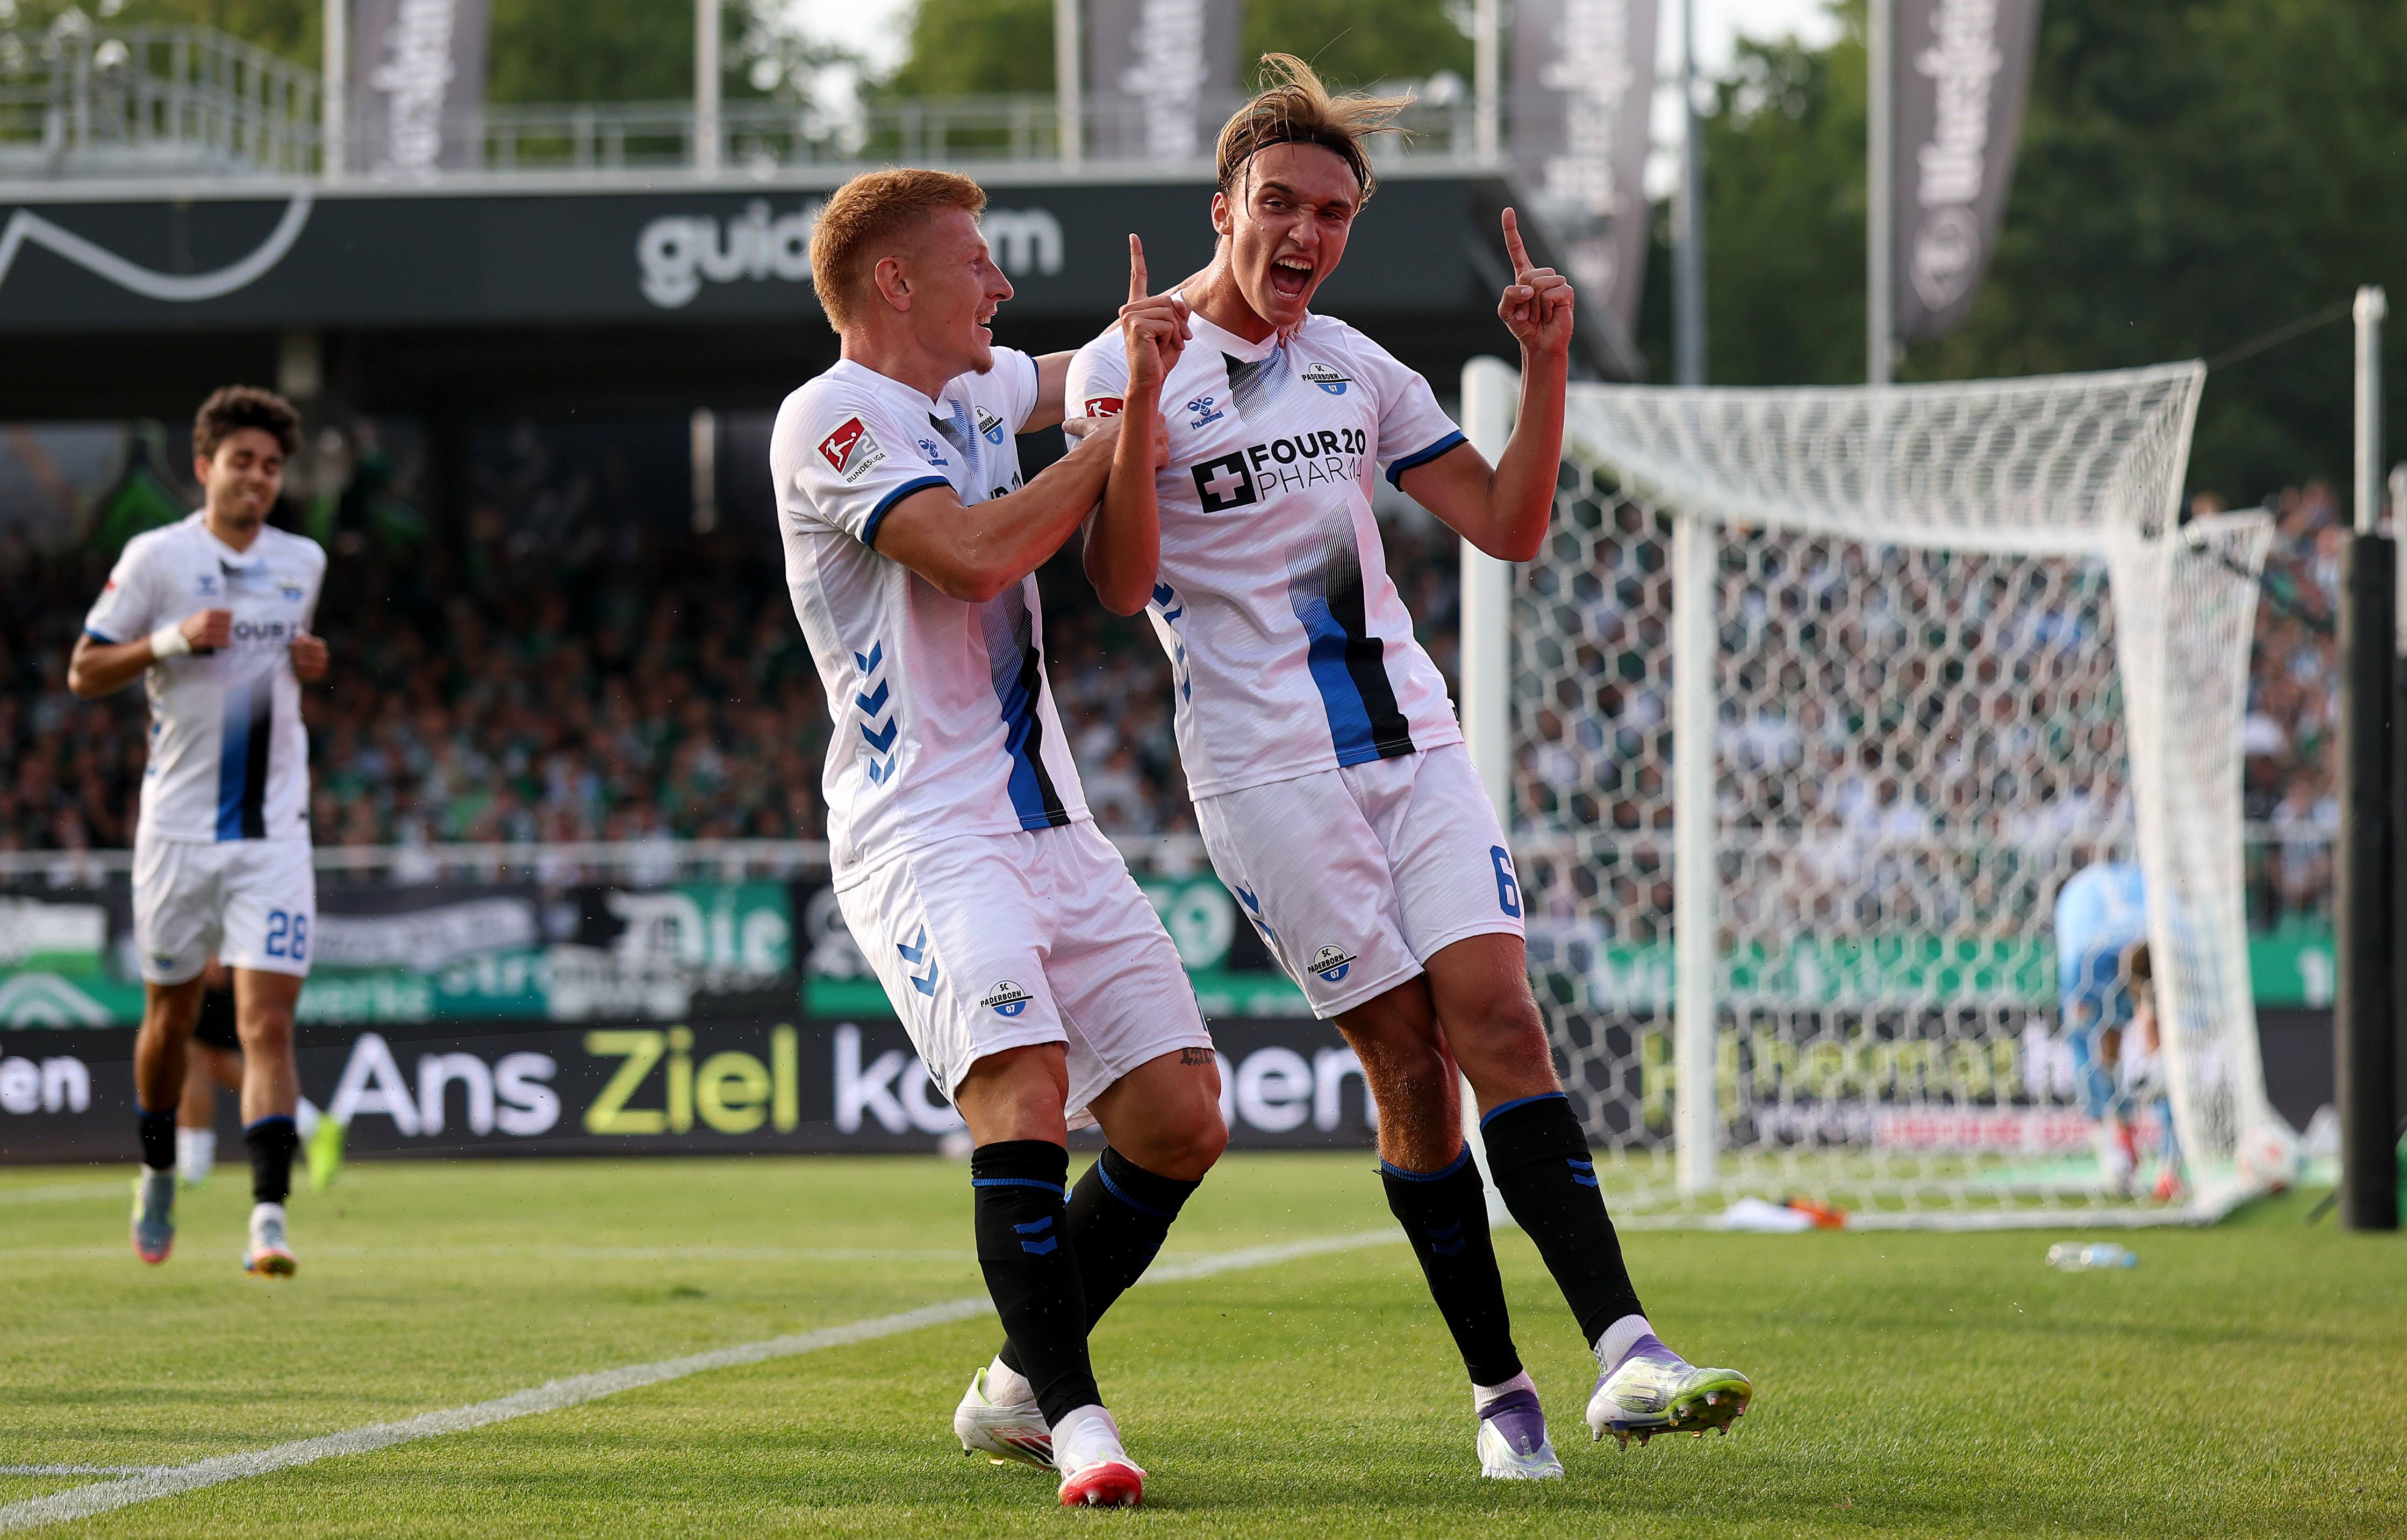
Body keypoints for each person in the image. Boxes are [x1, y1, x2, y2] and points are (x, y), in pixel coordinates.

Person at [1063, 55, 1751, 1479]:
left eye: (1334, 212)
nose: (1306, 234)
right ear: (1221, 207)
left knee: (1499, 1017)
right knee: (1408, 1067)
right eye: (1280, 204)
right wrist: (1132, 399)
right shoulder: (1118, 363)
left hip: (1407, 739)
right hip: (1264, 776)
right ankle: (1502, 1395)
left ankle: (1625, 1351)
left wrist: (1546, 363)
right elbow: (1121, 585)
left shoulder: (1356, 367)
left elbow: (1506, 524)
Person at [771, 168, 1220, 1509]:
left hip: (1046, 818)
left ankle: (1018, 1381)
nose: (1003, 286)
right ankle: (1078, 1425)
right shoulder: (829, 416)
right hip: (926, 830)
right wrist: (1118, 428)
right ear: (896, 281)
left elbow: (1106, 347)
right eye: (978, 263)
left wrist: (1238, 250)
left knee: (1180, 1118)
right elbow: (970, 555)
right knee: (1019, 1088)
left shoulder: (971, 391)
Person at [70, 385, 328, 1277]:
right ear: (204, 466)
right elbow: (84, 670)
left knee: (266, 1024)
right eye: (242, 461)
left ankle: (268, 1217)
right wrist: (170, 642)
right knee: (170, 1019)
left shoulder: (304, 562)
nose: (258, 477)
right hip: (178, 830)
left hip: (274, 833)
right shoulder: (156, 559)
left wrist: (308, 663)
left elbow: (281, 674)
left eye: (270, 465)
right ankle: (156, 1172)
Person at [2053, 859, 2150, 1195]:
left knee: (2103, 1051)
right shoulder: (2085, 963)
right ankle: (2112, 1149)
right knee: (2093, 1056)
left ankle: (2122, 1141)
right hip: (2096, 962)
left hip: (2129, 951)